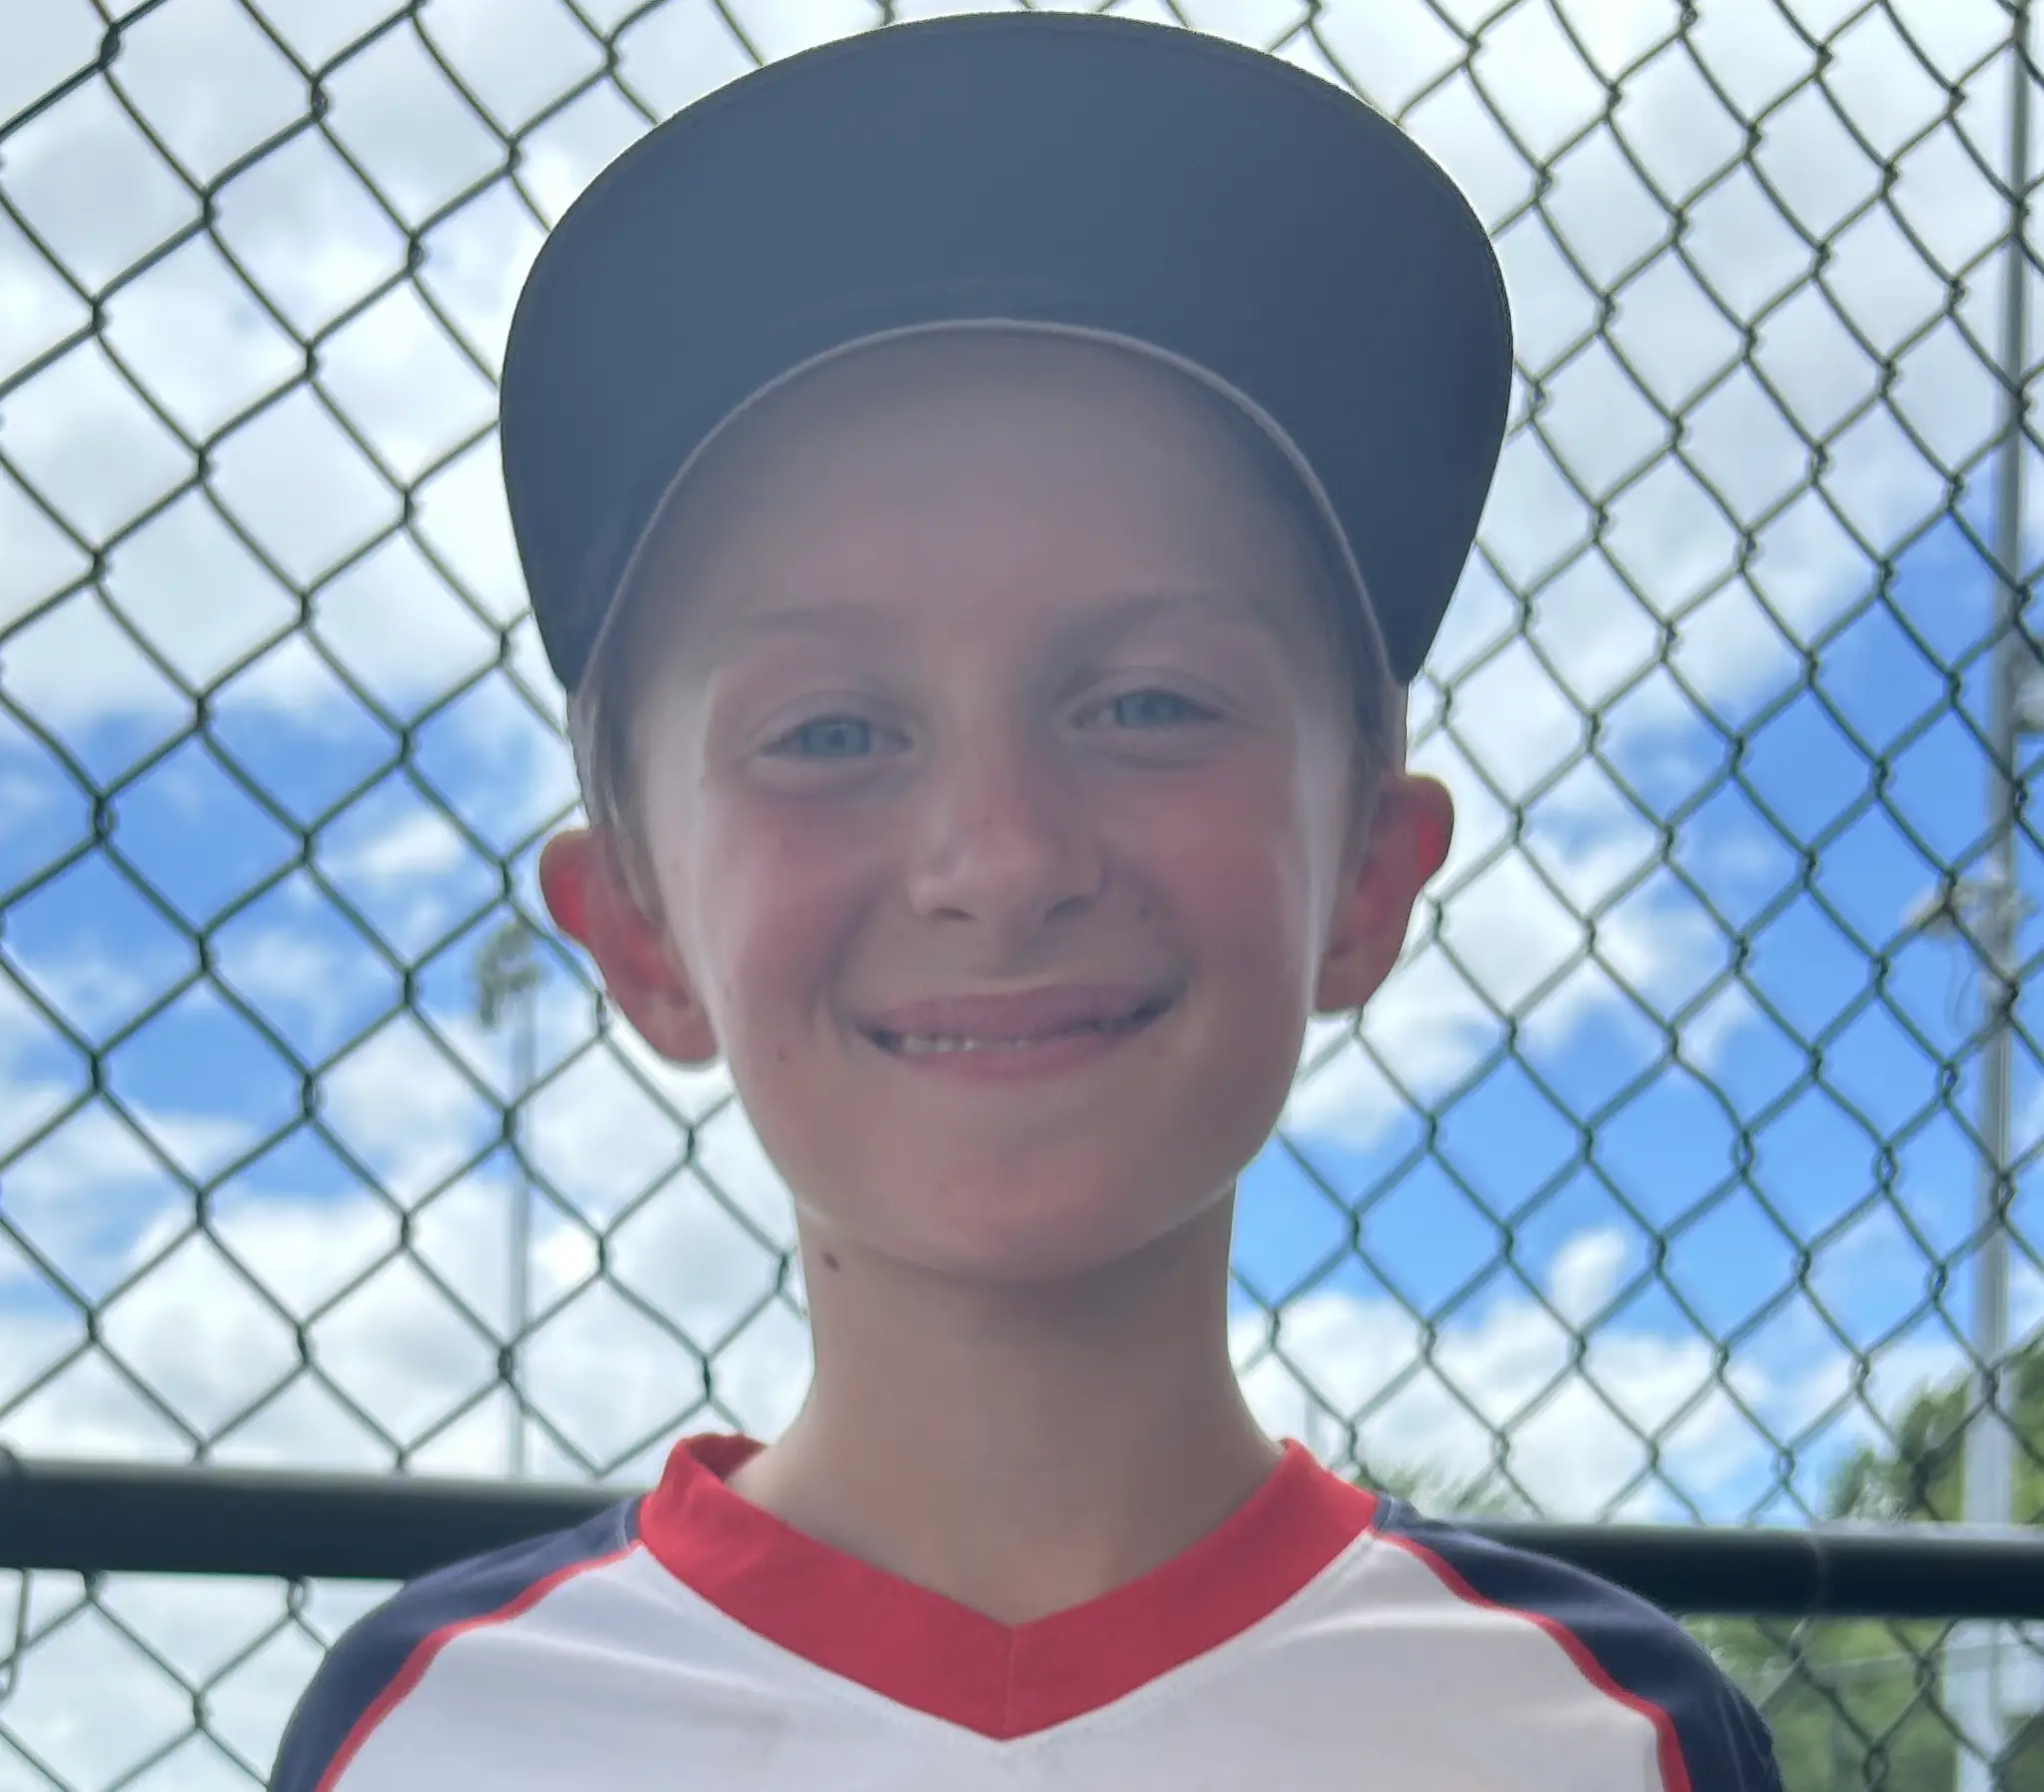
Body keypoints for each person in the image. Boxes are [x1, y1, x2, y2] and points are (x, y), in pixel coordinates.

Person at [268, 14, 1783, 1789]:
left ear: (1366, 876)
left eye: (1147, 704)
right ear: (640, 933)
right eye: (831, 732)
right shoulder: (435, 1731)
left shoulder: (1612, 1736)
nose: (996, 858)